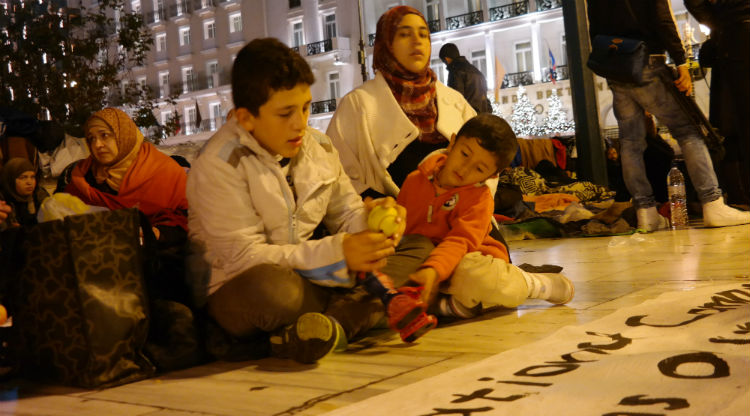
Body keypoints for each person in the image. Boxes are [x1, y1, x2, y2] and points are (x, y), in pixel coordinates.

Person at [186, 38, 422, 364]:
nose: (300, 123)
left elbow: (346, 211)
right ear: (246, 117)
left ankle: (328, 327)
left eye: (306, 107)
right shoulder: (219, 165)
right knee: (274, 292)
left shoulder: (318, 146)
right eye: (285, 113)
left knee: (419, 245)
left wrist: (374, 226)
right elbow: (244, 258)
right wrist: (340, 254)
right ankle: (365, 308)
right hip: (243, 287)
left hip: (313, 274)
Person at [587, 0, 750, 230]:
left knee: (630, 142)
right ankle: (712, 203)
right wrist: (681, 61)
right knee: (688, 131)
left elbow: (594, 29)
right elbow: (662, 19)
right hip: (647, 59)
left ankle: (646, 212)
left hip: (617, 64)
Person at [397, 114, 574, 318]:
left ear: (491, 176)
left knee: (474, 273)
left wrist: (434, 270)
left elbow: (460, 241)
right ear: (452, 143)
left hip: (466, 260)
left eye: (479, 168)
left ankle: (536, 285)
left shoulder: (479, 199)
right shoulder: (415, 180)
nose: (464, 169)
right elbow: (402, 230)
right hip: (427, 260)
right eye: (464, 154)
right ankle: (455, 304)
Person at [327, 6, 476, 200]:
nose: (417, 41)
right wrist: (374, 206)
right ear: (386, 43)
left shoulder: (456, 102)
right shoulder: (357, 105)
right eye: (405, 34)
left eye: (423, 35)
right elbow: (334, 175)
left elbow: (485, 163)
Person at [684, 0, 750, 208]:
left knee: (737, 124)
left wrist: (718, 24)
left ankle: (740, 195)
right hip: (736, 36)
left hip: (734, 40)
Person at [438, 43, 493, 114]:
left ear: (446, 59)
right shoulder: (477, 72)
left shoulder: (456, 72)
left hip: (468, 117)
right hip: (482, 117)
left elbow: (456, 99)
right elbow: (485, 99)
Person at [0, 157, 49, 227]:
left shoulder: (39, 194)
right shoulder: (2, 201)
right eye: (23, 177)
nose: (29, 182)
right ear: (11, 181)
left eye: (32, 177)